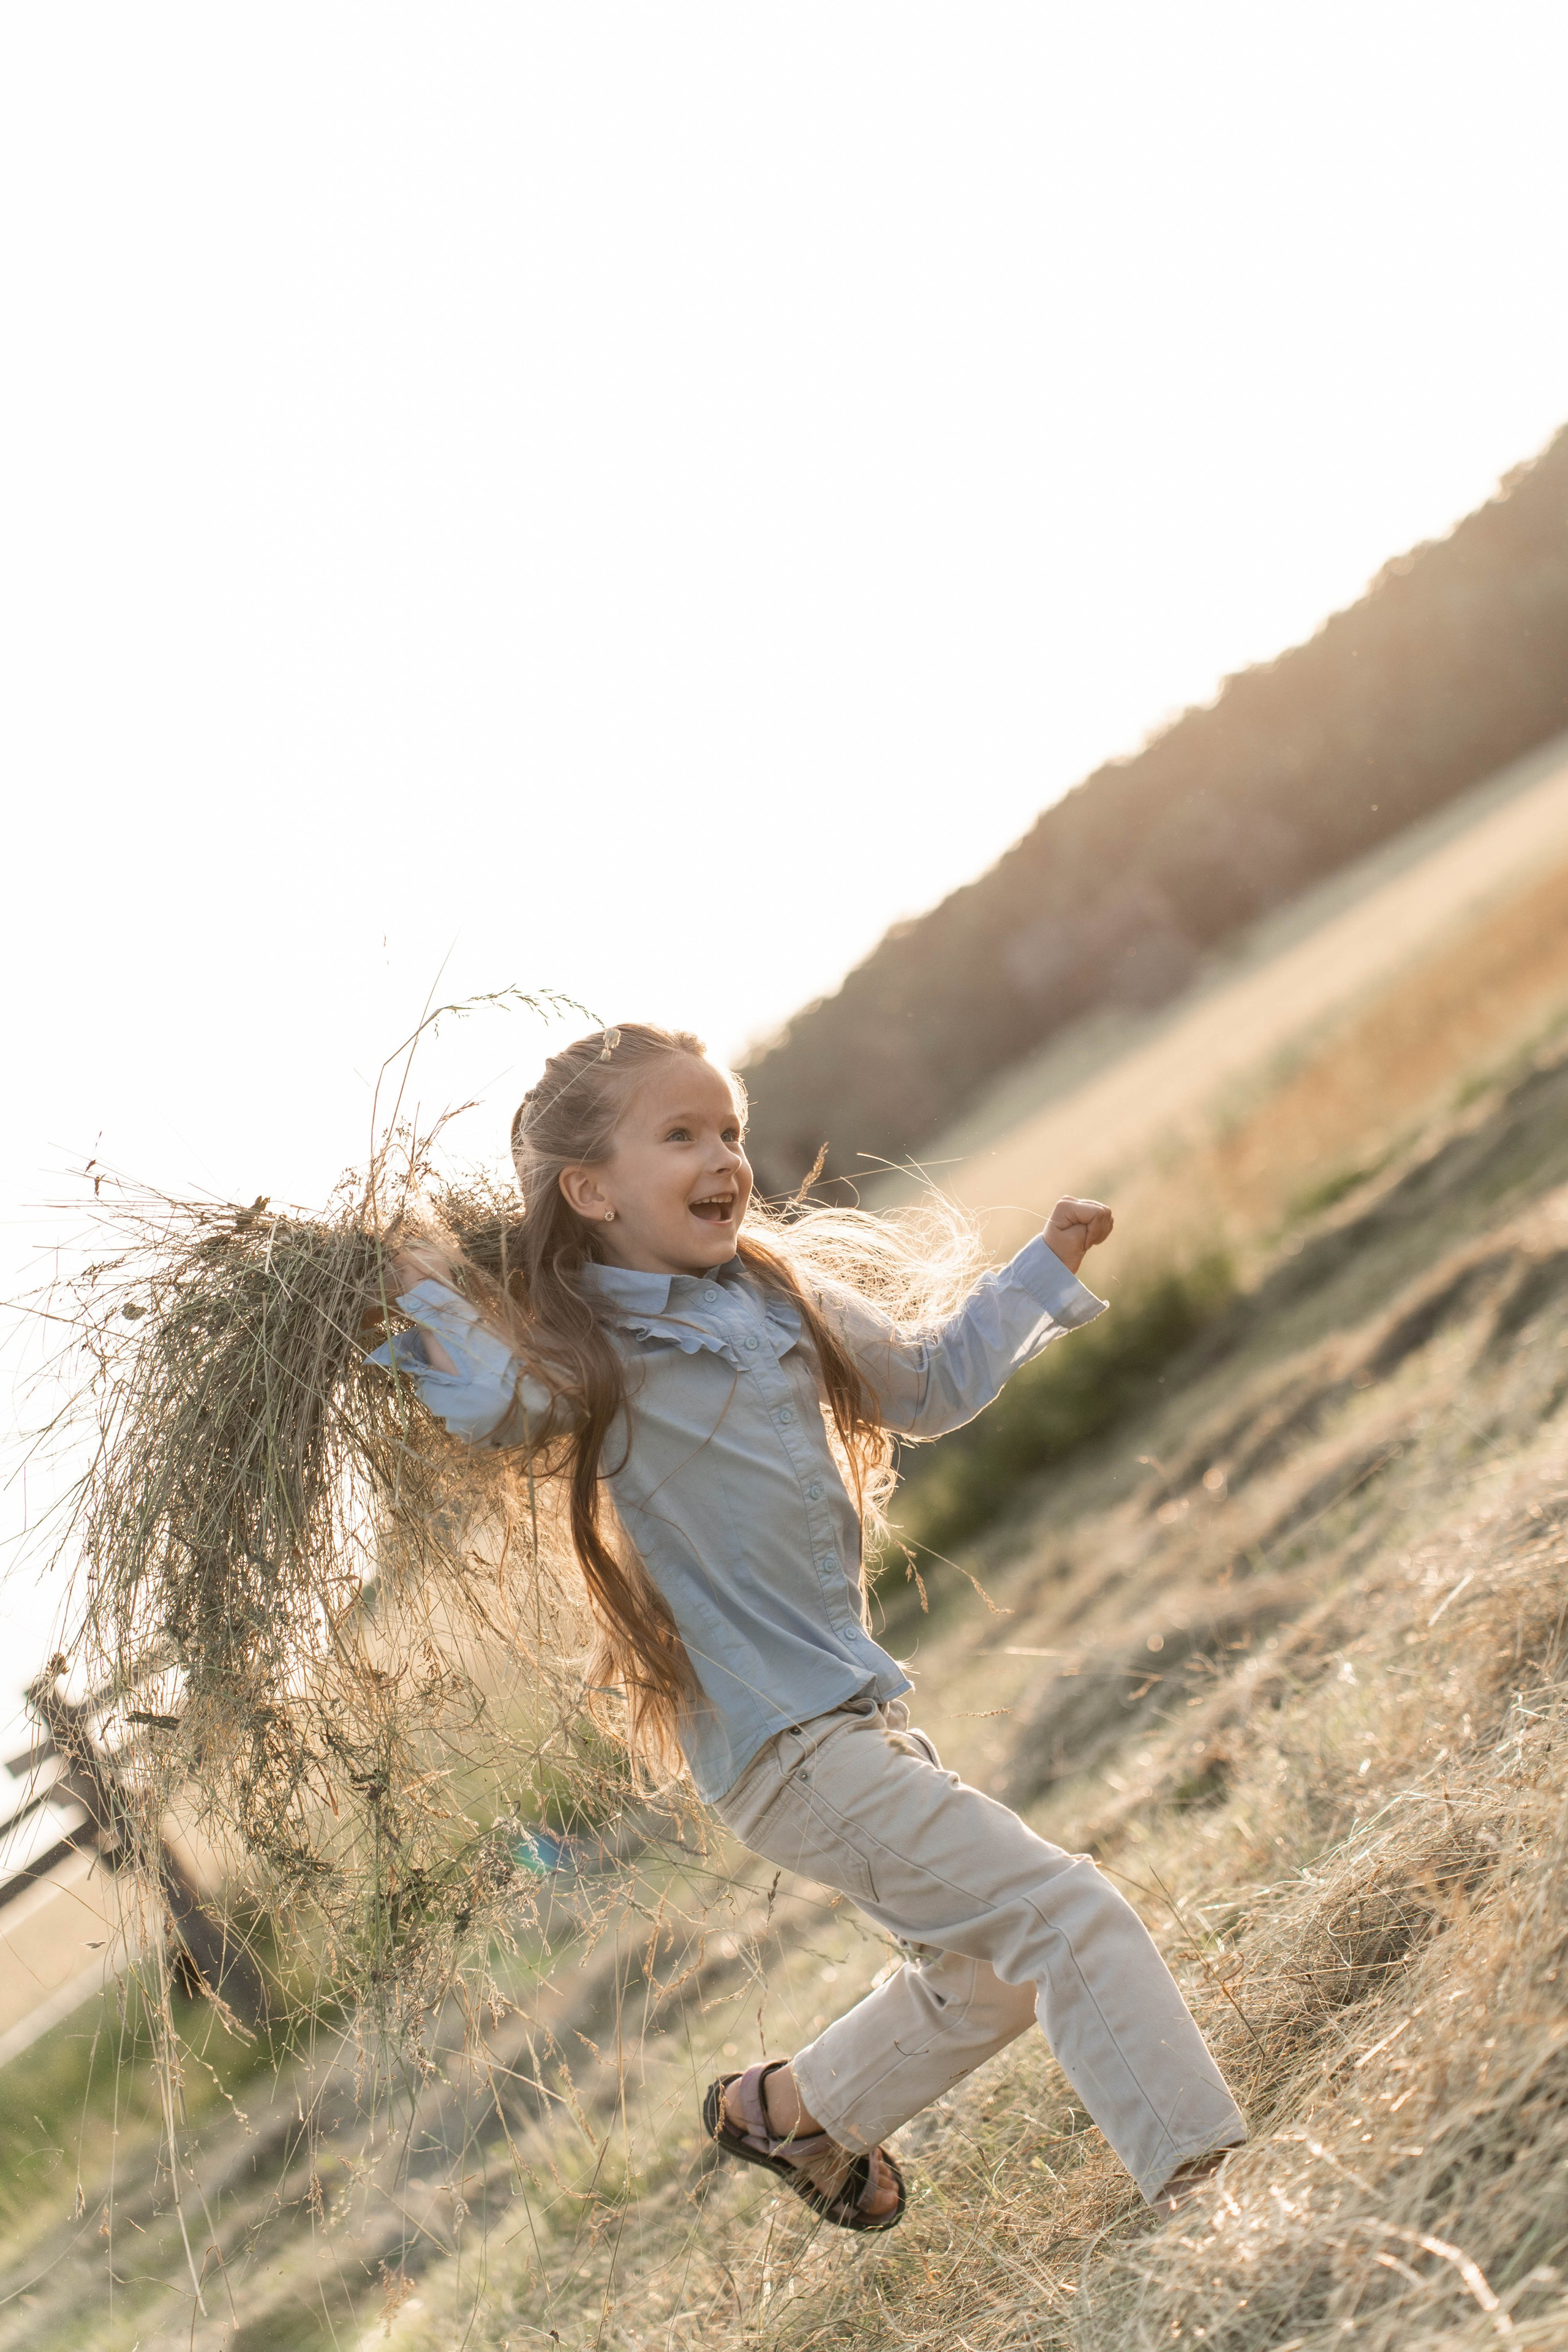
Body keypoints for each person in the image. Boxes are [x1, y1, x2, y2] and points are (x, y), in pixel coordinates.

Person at [368, 1022, 1245, 2230]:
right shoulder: (585, 1350)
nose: (723, 1157)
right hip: (780, 1746)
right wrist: (417, 1277)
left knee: (988, 1975)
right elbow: (491, 1403)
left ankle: (793, 2112)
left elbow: (928, 1386)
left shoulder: (777, 1293)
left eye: (729, 1130)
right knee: (1064, 1916)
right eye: (680, 1135)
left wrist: (1041, 1268)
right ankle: (1206, 2192)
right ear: (590, 1191)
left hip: (848, 1718)